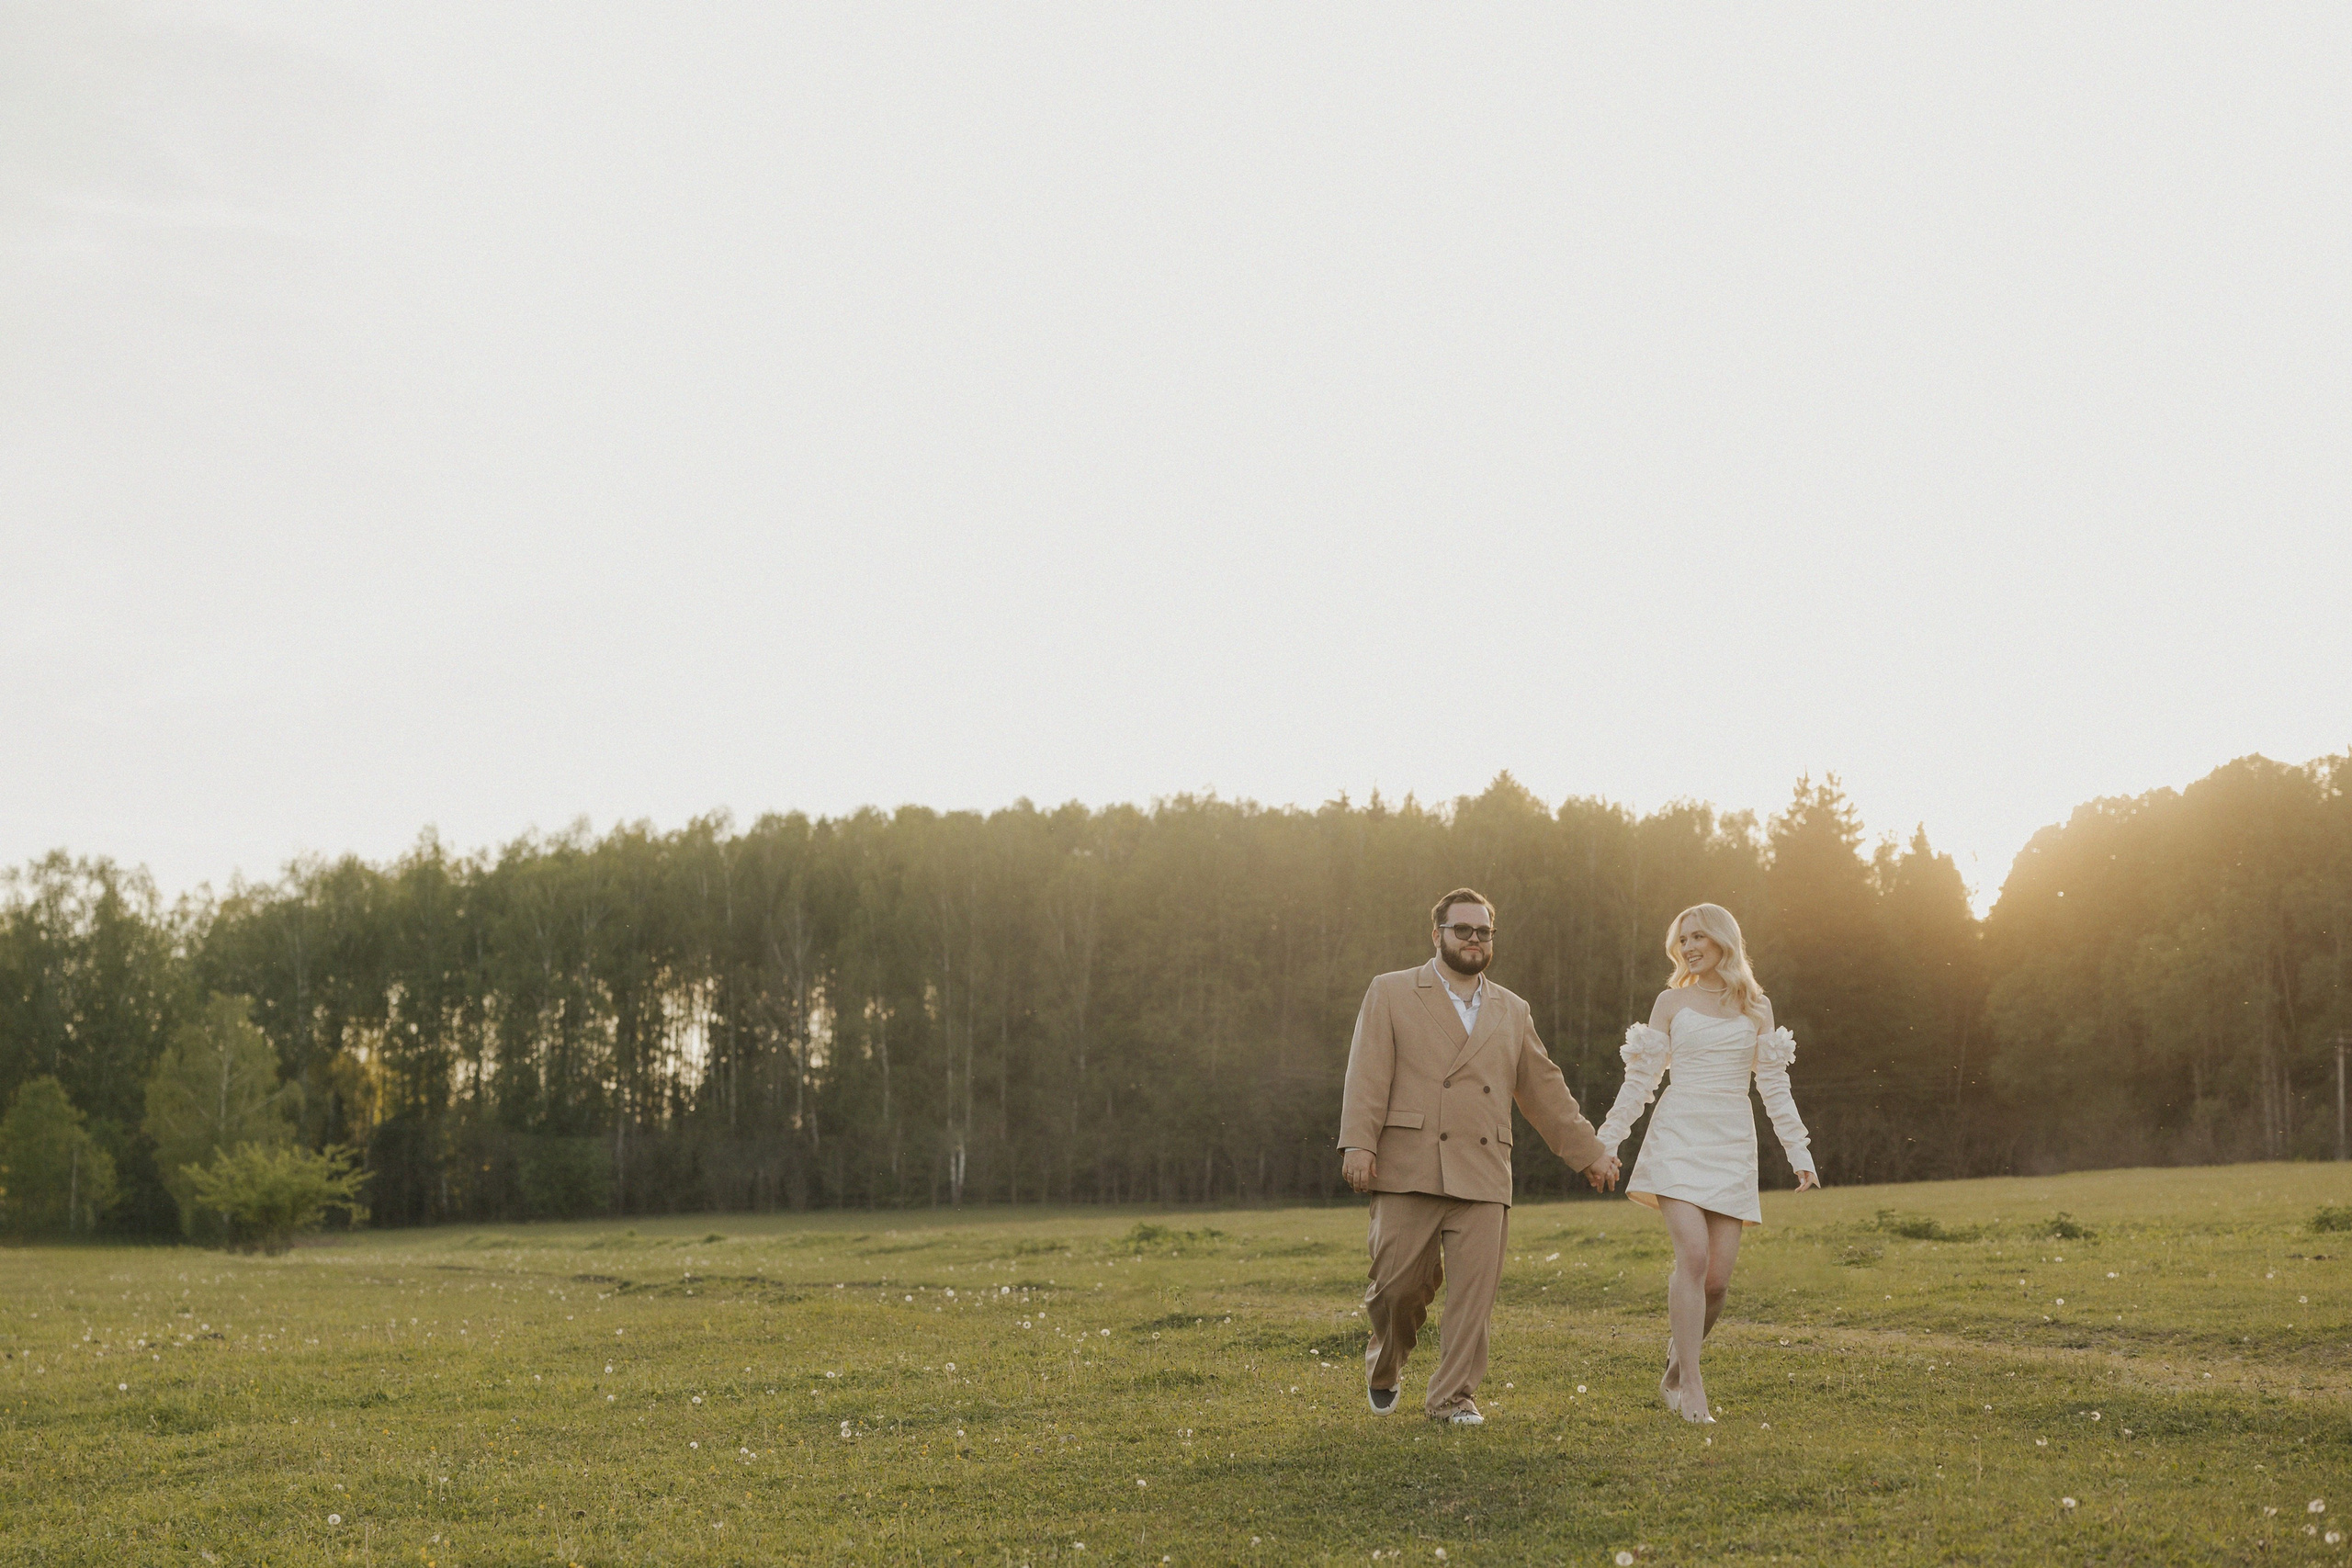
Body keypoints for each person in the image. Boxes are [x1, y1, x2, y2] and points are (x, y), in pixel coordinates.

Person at [1337, 887, 1621, 1424]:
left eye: (1483, 931)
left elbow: (1543, 1089)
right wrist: (1359, 1141)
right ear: (1437, 934)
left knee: (1473, 1298)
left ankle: (1452, 1398)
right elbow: (1367, 1072)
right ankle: (1386, 1361)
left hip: (1486, 1167)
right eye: (1461, 929)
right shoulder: (1392, 991)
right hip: (1408, 1163)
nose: (1473, 939)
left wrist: (1590, 1152)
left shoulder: (1512, 1008)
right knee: (1397, 1288)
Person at [1593, 902, 1819, 1424]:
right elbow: (1641, 1081)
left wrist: (1798, 1150)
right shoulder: (1670, 1003)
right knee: (1691, 1257)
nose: (1688, 947)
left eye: (1698, 937)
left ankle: (1674, 1370)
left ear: (1723, 940)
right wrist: (1606, 1141)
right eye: (1682, 940)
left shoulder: (1757, 1008)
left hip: (1731, 1144)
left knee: (1716, 1282)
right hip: (1678, 1135)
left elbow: (1774, 1087)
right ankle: (1694, 1387)